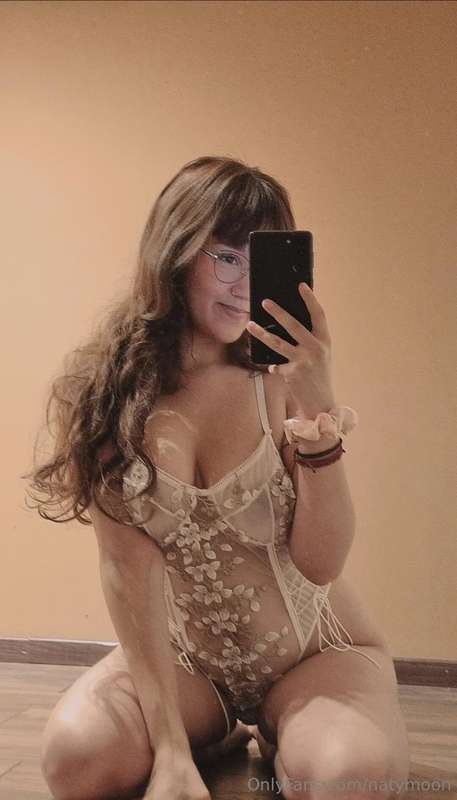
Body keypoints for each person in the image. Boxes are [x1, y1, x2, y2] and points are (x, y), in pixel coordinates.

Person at [25, 156, 410, 800]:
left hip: (318, 652)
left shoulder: (279, 382)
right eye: (227, 257)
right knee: (73, 759)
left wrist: (319, 412)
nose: (246, 284)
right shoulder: (109, 396)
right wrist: (170, 753)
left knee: (350, 780)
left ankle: (293, 729)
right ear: (175, 252)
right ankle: (215, 736)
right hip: (190, 666)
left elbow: (321, 564)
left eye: (263, 261)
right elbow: (125, 572)